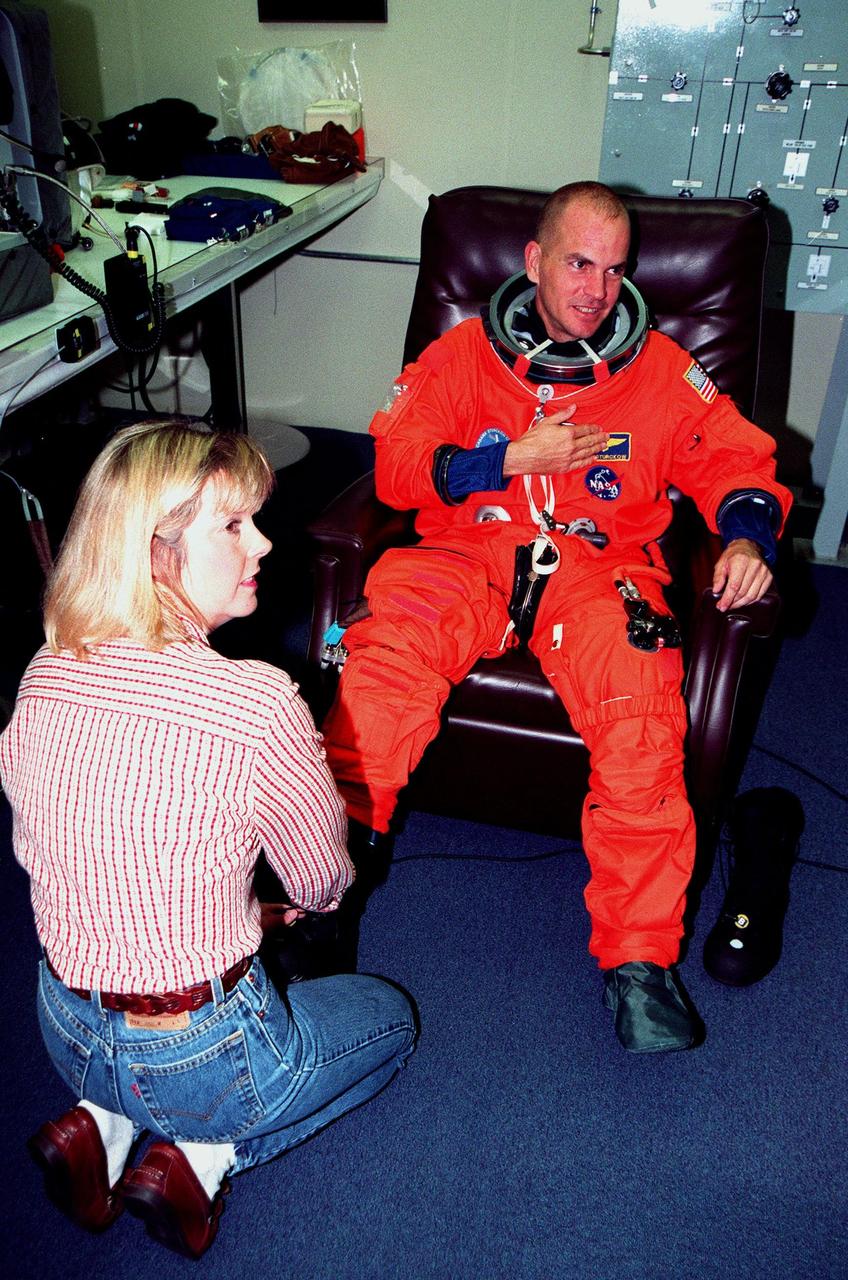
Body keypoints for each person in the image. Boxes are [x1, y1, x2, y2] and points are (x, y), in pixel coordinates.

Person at [320, 181, 793, 1055]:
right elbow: (397, 463)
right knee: (380, 674)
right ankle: (319, 905)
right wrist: (500, 460)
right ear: (533, 261)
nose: (596, 291)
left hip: (601, 567)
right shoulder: (463, 356)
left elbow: (734, 457)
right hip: (467, 551)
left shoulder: (658, 373)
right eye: (578, 264)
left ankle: (640, 961)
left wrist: (747, 535)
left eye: (615, 272)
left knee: (642, 720)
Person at [0, 420, 417, 1259]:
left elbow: (62, 852)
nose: (264, 541)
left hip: (62, 1028)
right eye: (233, 526)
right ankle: (203, 1158)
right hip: (204, 1054)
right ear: (157, 553)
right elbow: (320, 879)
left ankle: (102, 1128)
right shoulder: (256, 700)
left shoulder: (44, 669)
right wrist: (304, 905)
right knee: (392, 1024)